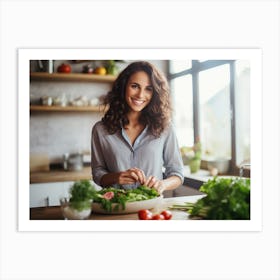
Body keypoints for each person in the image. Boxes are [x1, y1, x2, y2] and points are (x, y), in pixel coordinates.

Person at [91, 61, 184, 194]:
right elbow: (97, 173)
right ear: (123, 87)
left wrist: (162, 184)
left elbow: (177, 173)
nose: (140, 95)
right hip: (116, 206)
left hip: (151, 208)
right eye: (135, 86)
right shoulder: (100, 130)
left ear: (154, 93)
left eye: (148, 89)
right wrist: (116, 177)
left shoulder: (165, 128)